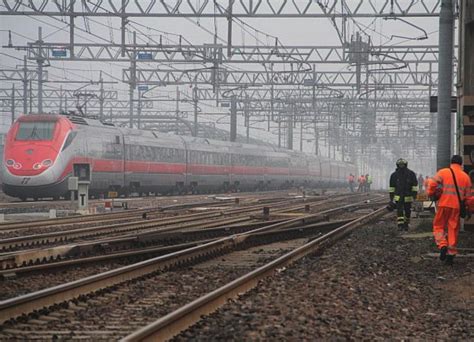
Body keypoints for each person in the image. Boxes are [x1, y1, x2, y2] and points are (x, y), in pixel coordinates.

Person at [427, 155, 472, 265]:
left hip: (443, 204)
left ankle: (442, 245)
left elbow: (432, 183)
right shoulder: (466, 177)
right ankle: (451, 254)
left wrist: (431, 193)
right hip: (456, 207)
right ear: (461, 164)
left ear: (451, 162)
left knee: (438, 226)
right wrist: (469, 210)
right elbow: (469, 198)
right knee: (453, 229)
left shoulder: (443, 172)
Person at [388, 158, 418, 230]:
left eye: (402, 164)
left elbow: (414, 186)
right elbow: (392, 187)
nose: (401, 166)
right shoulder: (394, 175)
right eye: (400, 164)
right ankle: (400, 225)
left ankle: (406, 223)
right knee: (399, 211)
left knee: (408, 211)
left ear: (405, 165)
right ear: (398, 165)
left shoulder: (411, 174)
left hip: (408, 196)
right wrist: (391, 198)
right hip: (398, 197)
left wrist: (414, 195)